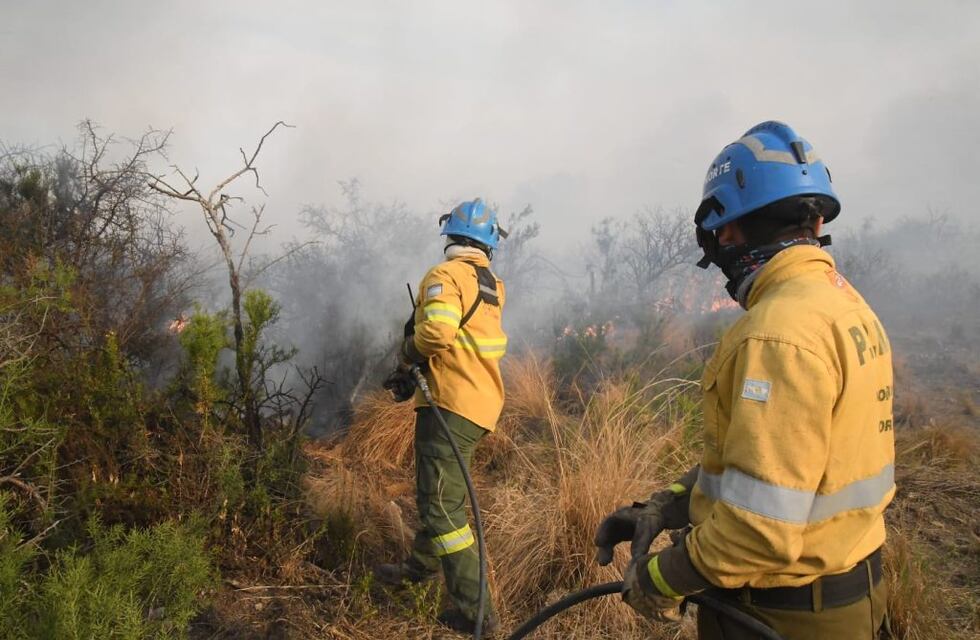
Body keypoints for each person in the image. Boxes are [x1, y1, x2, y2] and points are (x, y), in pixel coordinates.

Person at [594, 121, 895, 639]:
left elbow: (758, 529)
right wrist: (665, 504)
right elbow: (774, 469)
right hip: (849, 593)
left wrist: (659, 578)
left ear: (727, 229)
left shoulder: (777, 335)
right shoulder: (844, 303)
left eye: (720, 236)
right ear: (816, 219)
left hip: (780, 614)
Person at [377, 198, 508, 635]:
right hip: (480, 403)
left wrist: (408, 352)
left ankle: (477, 614)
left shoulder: (445, 275)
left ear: (450, 236)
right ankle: (418, 569)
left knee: (442, 509)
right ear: (489, 243)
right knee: (439, 494)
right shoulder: (490, 283)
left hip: (450, 405)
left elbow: (435, 333)